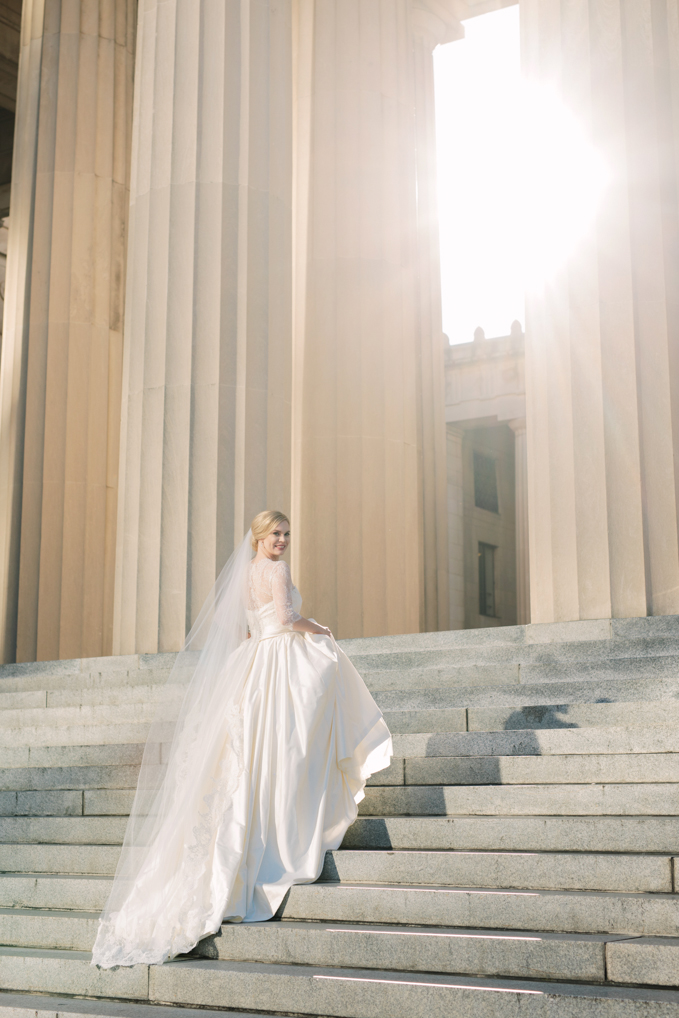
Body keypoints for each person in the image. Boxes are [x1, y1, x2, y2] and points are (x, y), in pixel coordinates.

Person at [91, 510, 392, 968]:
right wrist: (320, 630)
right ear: (259, 536)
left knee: (252, 753)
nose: (283, 541)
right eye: (277, 534)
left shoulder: (247, 573)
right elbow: (288, 617)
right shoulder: (275, 571)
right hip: (276, 658)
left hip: (253, 660)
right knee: (284, 740)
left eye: (287, 534)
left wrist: (266, 635)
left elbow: (247, 626)